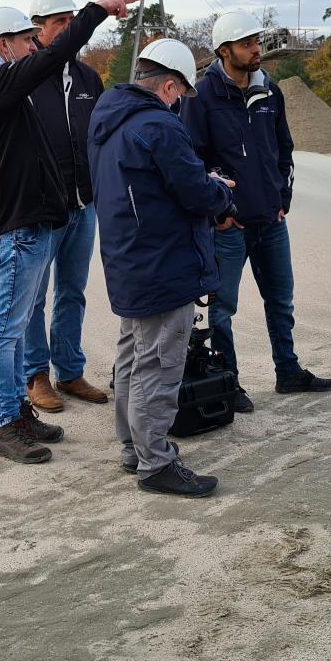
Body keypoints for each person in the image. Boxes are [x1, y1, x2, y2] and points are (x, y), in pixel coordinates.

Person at [0, 0, 139, 465]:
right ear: (4, 45)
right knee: (7, 330)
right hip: (15, 228)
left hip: (32, 223)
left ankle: (19, 413)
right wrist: (97, 11)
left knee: (16, 326)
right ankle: (5, 424)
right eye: (26, 40)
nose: (33, 47)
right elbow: (54, 55)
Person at [88, 38, 239, 497]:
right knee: (159, 362)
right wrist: (220, 191)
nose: (181, 105)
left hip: (130, 259)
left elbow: (153, 184)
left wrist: (199, 182)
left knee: (133, 356)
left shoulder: (107, 119)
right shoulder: (157, 124)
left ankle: (134, 448)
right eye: (181, 95)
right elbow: (193, 191)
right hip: (163, 262)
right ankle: (155, 463)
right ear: (169, 86)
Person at [181, 9, 331, 413]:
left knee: (281, 301)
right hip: (229, 227)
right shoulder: (201, 97)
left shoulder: (271, 92)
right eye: (247, 43)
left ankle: (288, 371)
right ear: (224, 50)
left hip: (271, 221)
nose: (256, 49)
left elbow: (285, 149)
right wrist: (218, 213)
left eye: (256, 41)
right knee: (222, 310)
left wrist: (282, 199)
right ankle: (228, 381)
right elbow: (193, 161)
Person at [22, 0, 109, 414]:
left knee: (72, 291)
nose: (69, 28)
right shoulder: (26, 76)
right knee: (34, 297)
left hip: (83, 204)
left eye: (71, 20)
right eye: (60, 21)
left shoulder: (89, 78)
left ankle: (70, 371)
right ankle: (36, 375)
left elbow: (101, 138)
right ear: (37, 28)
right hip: (42, 208)